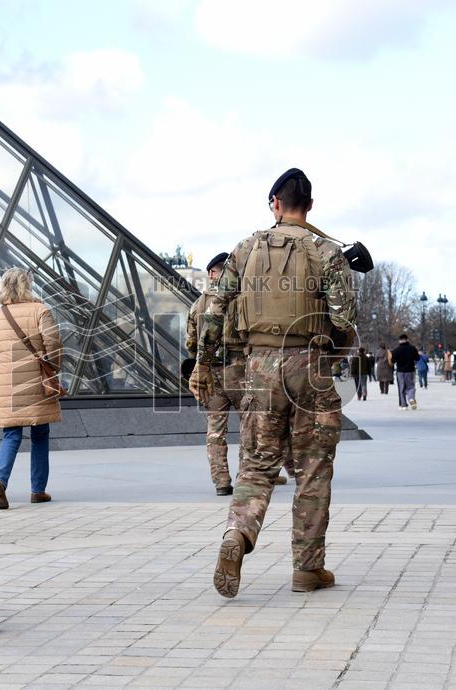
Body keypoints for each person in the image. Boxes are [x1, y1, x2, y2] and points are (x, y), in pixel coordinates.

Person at [190, 167, 355, 597]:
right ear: (311, 206)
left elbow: (214, 309)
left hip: (259, 366)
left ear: (275, 205)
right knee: (313, 469)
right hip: (309, 363)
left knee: (258, 463)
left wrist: (203, 365)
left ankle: (237, 535)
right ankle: (307, 568)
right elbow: (343, 320)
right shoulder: (326, 252)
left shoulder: (244, 250)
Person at [187, 252, 282, 496]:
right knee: (249, 425)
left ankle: (220, 481)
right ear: (213, 273)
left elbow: (190, 343)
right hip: (239, 371)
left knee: (216, 430)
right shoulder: (240, 301)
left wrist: (202, 366)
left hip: (211, 374)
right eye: (224, 271)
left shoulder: (197, 305)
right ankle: (245, 475)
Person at [0, 268, 63, 507]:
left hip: (9, 384)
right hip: (37, 383)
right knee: (40, 435)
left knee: (11, 434)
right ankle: (38, 490)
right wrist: (53, 368)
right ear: (27, 285)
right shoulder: (40, 310)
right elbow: (53, 343)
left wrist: (0, 376)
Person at [390, 333, 420, 410]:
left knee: (401, 388)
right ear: (407, 339)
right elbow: (417, 358)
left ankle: (403, 405)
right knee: (411, 386)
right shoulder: (412, 348)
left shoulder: (396, 350)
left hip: (400, 371)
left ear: (399, 341)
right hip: (410, 370)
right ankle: (411, 398)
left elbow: (392, 361)